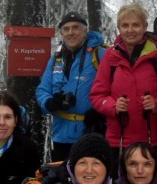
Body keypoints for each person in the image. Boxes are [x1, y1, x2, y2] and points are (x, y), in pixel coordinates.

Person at [89, 3, 157, 175]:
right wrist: (113, 106)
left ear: (145, 27)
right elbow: (97, 95)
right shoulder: (110, 56)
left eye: (135, 25)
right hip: (118, 140)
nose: (130, 30)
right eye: (125, 25)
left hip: (154, 139)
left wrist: (156, 104)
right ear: (119, 28)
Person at [36, 11, 107, 161]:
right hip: (60, 135)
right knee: (62, 180)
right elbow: (43, 89)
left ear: (85, 31)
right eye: (66, 29)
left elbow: (116, 88)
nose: (71, 33)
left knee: (89, 180)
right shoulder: (56, 59)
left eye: (75, 28)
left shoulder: (100, 55)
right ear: (61, 33)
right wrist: (49, 102)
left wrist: (101, 111)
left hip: (90, 134)